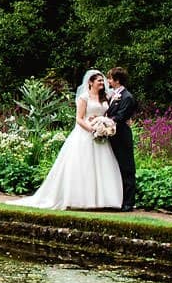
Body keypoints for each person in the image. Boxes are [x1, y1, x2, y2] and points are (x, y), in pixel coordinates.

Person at [17, 70, 124, 210]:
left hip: (101, 136)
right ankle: (81, 200)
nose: (102, 83)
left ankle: (102, 201)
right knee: (83, 167)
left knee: (102, 167)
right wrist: (92, 129)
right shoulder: (84, 97)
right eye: (99, 80)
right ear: (90, 82)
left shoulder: (105, 98)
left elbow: (107, 113)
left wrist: (104, 125)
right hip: (85, 134)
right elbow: (79, 119)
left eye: (102, 81)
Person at [104, 67, 138, 211]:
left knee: (126, 168)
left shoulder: (127, 97)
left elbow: (121, 116)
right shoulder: (113, 95)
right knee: (115, 168)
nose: (108, 81)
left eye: (110, 78)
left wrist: (102, 120)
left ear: (117, 80)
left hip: (122, 135)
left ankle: (128, 202)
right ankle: (118, 199)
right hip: (112, 135)